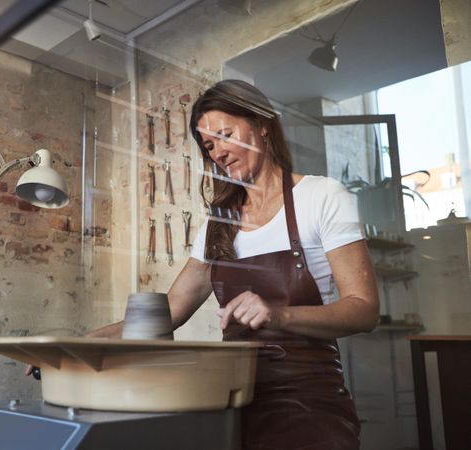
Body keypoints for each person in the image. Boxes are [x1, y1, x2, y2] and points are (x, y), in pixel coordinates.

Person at [38, 79, 379, 449]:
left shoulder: (321, 196)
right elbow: (169, 311)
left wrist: (280, 315)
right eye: (209, 145)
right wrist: (74, 345)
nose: (218, 152)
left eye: (225, 134)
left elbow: (363, 310)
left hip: (307, 400)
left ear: (263, 123)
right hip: (232, 397)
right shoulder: (219, 224)